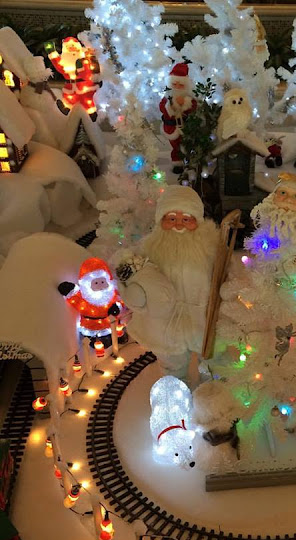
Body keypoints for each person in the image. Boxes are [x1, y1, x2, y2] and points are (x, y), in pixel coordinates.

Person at [118, 186, 219, 381]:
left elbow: (224, 271)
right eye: (171, 218)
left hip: (201, 317)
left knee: (209, 360)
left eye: (186, 219)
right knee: (172, 362)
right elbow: (135, 273)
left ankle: (208, 392)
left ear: (197, 219)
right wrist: (135, 294)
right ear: (161, 219)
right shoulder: (150, 247)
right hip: (165, 321)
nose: (178, 224)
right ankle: (175, 390)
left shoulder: (210, 246)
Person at [46, 37, 99, 119]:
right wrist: (52, 52)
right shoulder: (64, 61)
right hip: (70, 86)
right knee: (69, 99)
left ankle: (92, 115)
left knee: (87, 101)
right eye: (68, 47)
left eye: (73, 46)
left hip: (84, 86)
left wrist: (81, 67)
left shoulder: (84, 58)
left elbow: (88, 72)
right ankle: (66, 109)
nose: (71, 48)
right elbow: (58, 64)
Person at [159, 63, 197, 172]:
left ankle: (188, 161)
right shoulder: (168, 97)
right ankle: (177, 163)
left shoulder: (188, 97)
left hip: (185, 127)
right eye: (174, 84)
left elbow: (193, 107)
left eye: (181, 85)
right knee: (176, 146)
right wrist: (172, 105)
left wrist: (185, 104)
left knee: (186, 144)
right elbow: (162, 107)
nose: (177, 87)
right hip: (172, 127)